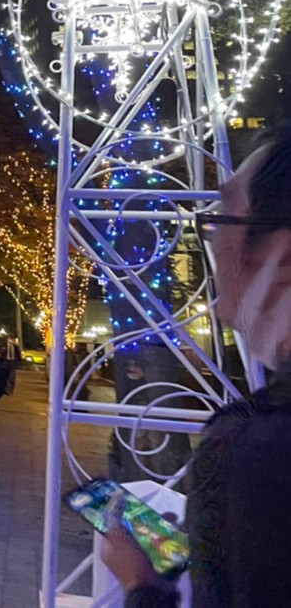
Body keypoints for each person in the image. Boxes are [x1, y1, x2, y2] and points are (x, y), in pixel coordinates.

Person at [102, 127, 291, 607]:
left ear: (282, 256)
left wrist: (143, 585)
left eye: (221, 219)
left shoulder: (254, 450)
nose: (213, 239)